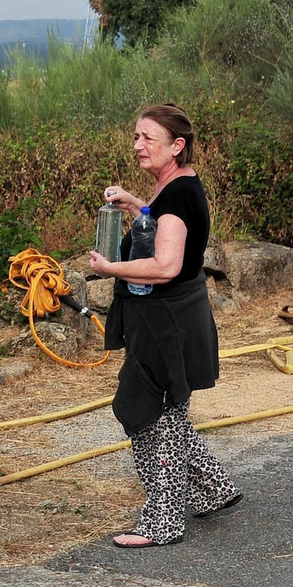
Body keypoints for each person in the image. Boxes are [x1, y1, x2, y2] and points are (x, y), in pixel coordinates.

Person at [87, 104, 241, 548]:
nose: (137, 145)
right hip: (175, 316)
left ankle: (163, 522)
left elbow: (168, 264)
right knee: (168, 413)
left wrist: (110, 268)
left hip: (165, 321)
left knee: (147, 413)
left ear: (177, 145)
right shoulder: (180, 185)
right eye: (135, 136)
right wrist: (134, 203)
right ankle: (213, 488)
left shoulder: (176, 197)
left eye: (148, 138)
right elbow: (162, 222)